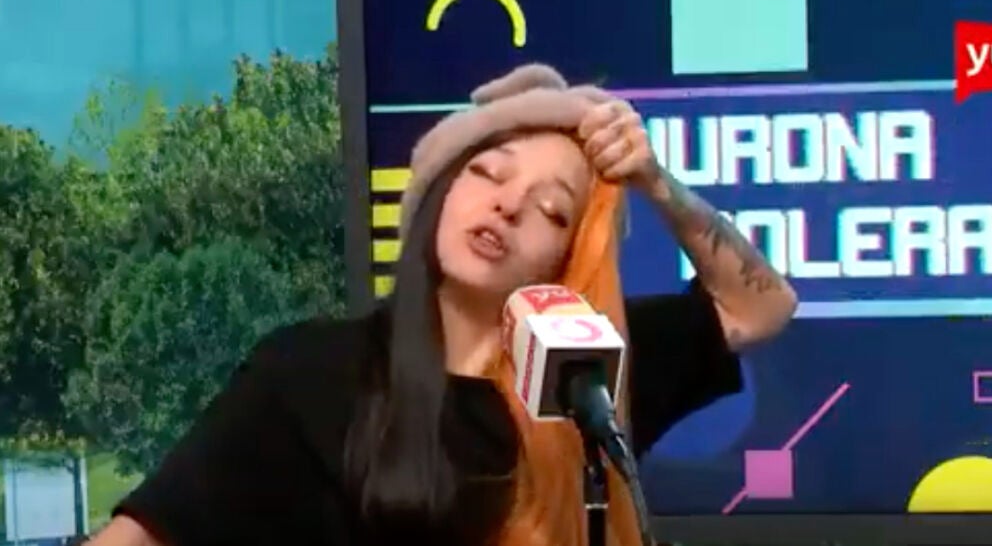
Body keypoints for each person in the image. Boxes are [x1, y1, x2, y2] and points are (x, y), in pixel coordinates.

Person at [88, 64, 797, 546]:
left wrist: (656, 182)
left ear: (566, 256)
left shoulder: (588, 372)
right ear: (440, 191)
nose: (508, 204)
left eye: (552, 210)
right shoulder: (308, 374)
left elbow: (760, 306)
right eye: (487, 172)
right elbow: (145, 533)